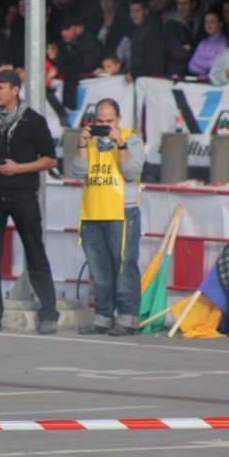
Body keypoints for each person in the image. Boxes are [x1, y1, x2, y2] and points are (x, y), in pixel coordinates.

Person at [0, 69, 59, 335]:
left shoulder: (33, 120)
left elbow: (50, 160)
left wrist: (19, 168)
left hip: (23, 195)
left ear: (15, 90)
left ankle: (49, 314)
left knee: (36, 254)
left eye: (1, 88)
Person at [72, 99, 146, 337]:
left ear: (119, 119)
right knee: (99, 271)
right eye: (100, 121)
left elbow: (131, 171)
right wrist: (81, 145)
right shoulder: (90, 141)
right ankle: (102, 317)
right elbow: (78, 172)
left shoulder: (132, 138)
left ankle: (128, 319)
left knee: (124, 267)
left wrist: (120, 143)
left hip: (122, 212)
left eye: (110, 121)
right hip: (93, 212)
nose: (105, 126)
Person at [187, 10, 229, 76]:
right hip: (201, 80)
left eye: (212, 22)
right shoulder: (203, 42)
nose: (208, 25)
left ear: (220, 24)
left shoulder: (224, 42)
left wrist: (198, 62)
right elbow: (191, 66)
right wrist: (207, 68)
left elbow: (216, 65)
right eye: (206, 22)